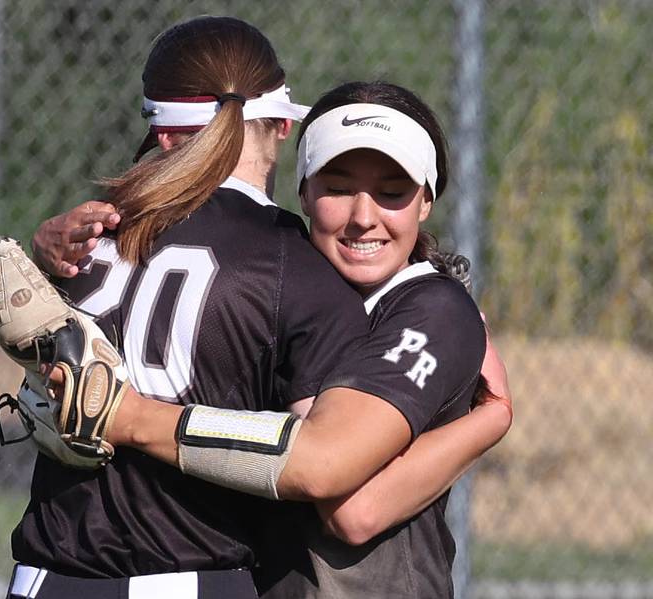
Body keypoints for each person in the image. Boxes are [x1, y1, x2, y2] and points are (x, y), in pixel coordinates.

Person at [29, 79, 511, 598]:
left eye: (392, 192)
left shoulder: (430, 309)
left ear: (426, 202)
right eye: (339, 187)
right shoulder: (282, 288)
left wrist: (491, 419)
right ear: (303, 190)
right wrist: (52, 248)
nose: (363, 217)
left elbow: (354, 508)